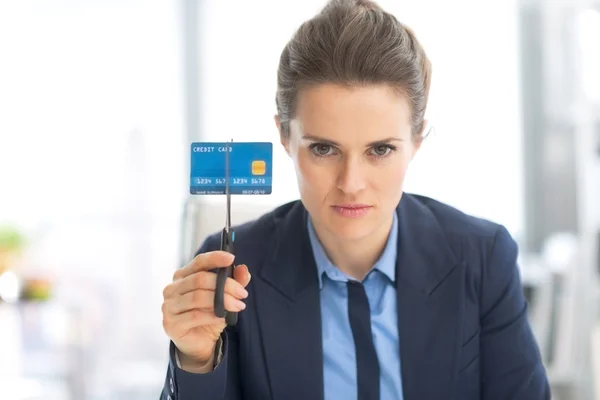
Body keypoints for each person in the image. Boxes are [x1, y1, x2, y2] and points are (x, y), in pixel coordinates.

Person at [160, 0, 551, 399]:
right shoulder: (231, 268)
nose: (351, 184)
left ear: (416, 140)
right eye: (324, 149)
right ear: (285, 137)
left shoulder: (482, 259)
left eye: (380, 150)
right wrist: (197, 360)